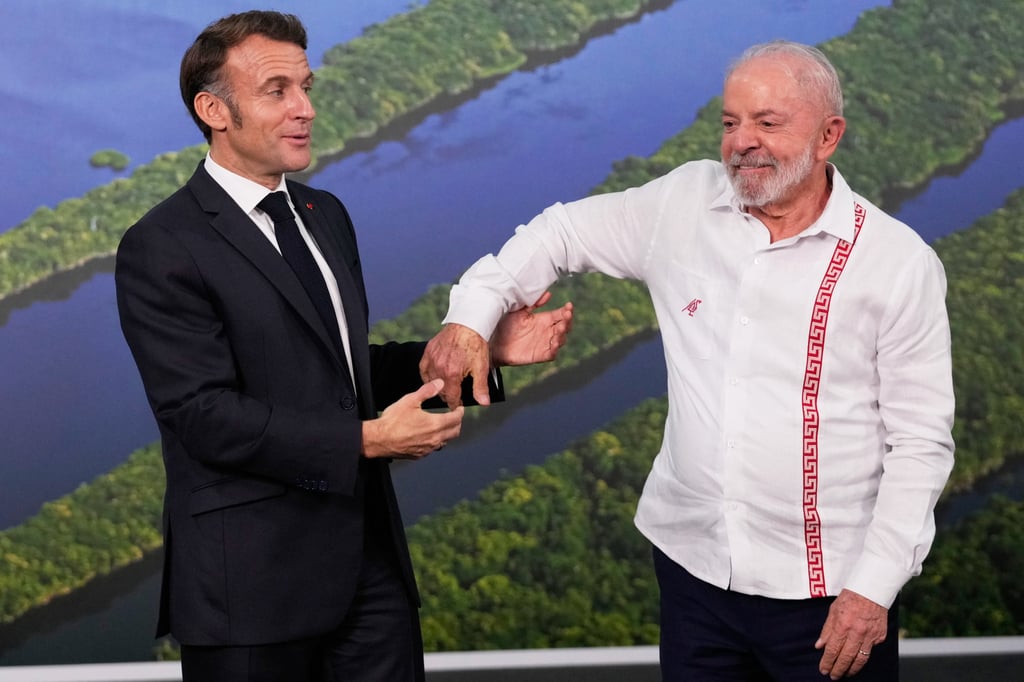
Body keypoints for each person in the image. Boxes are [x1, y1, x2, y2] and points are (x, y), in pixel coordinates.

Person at [421, 40, 954, 680]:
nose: (742, 142)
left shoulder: (896, 262)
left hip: (828, 597)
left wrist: (874, 587)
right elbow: (558, 233)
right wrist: (469, 319)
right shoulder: (682, 202)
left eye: (768, 123)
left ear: (829, 135)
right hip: (693, 572)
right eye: (730, 123)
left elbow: (921, 442)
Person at [115, 10, 572, 682]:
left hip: (371, 572)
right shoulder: (161, 245)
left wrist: (479, 353)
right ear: (214, 109)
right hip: (251, 592)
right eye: (278, 91)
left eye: (307, 86)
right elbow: (203, 416)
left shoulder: (323, 214)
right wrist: (367, 441)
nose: (306, 108)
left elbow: (346, 375)